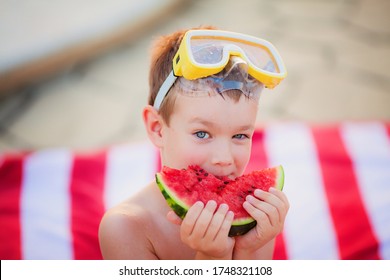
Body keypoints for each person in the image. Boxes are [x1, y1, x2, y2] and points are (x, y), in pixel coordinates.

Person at [98, 26, 290, 260]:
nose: (224, 158)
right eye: (202, 134)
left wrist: (249, 249)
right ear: (157, 128)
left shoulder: (254, 217)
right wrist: (211, 257)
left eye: (240, 135)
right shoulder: (125, 228)